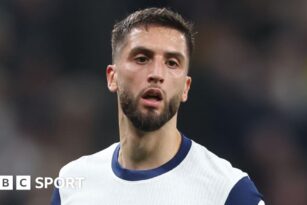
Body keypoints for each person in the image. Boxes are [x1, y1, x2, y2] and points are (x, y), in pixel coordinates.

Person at [51, 7, 264, 205]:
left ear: (185, 88)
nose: (157, 74)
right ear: (112, 77)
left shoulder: (228, 191)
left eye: (172, 63)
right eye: (142, 58)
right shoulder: (73, 183)